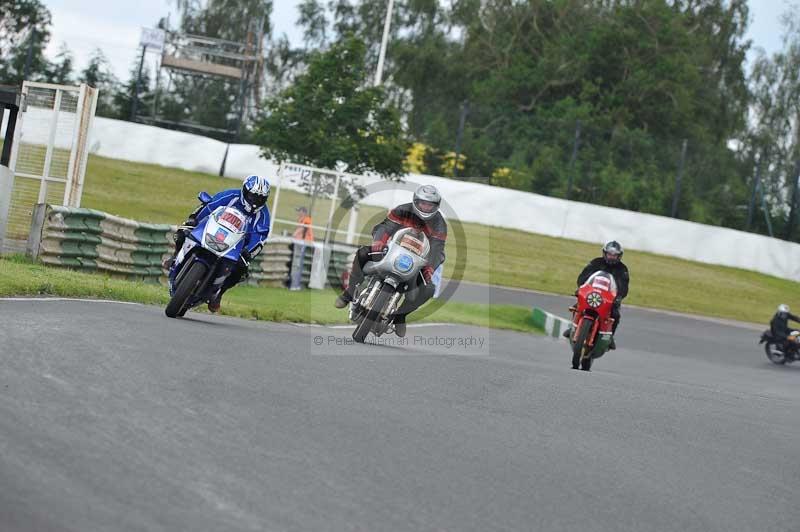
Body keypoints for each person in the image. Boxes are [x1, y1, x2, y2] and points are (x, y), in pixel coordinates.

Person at [334, 184, 447, 337]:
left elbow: (437, 249)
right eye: (423, 203)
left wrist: (430, 269)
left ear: (436, 206)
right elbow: (385, 227)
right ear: (416, 201)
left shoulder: (440, 224)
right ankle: (349, 292)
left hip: (416, 261)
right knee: (362, 253)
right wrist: (379, 242)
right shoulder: (402, 210)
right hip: (391, 251)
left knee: (428, 289)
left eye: (430, 205)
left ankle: (400, 316)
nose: (426, 207)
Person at [165, 175, 272, 312]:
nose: (255, 201)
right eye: (252, 196)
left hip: (235, 244)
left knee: (241, 269)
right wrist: (193, 220)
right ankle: (175, 257)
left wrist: (248, 252)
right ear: (245, 191)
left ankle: (219, 293)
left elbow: (260, 239)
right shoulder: (231, 195)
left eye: (260, 198)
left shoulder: (263, 216)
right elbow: (209, 205)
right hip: (212, 229)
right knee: (181, 234)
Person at [565, 241, 629, 349]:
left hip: (609, 298)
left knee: (616, 315)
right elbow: (584, 276)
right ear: (604, 253)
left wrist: (618, 297)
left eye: (614, 255)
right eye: (609, 254)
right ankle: (573, 327)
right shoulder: (596, 262)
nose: (611, 257)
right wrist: (580, 288)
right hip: (592, 294)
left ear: (619, 256)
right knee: (577, 306)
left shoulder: (622, 269)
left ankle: (610, 337)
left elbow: (624, 286)